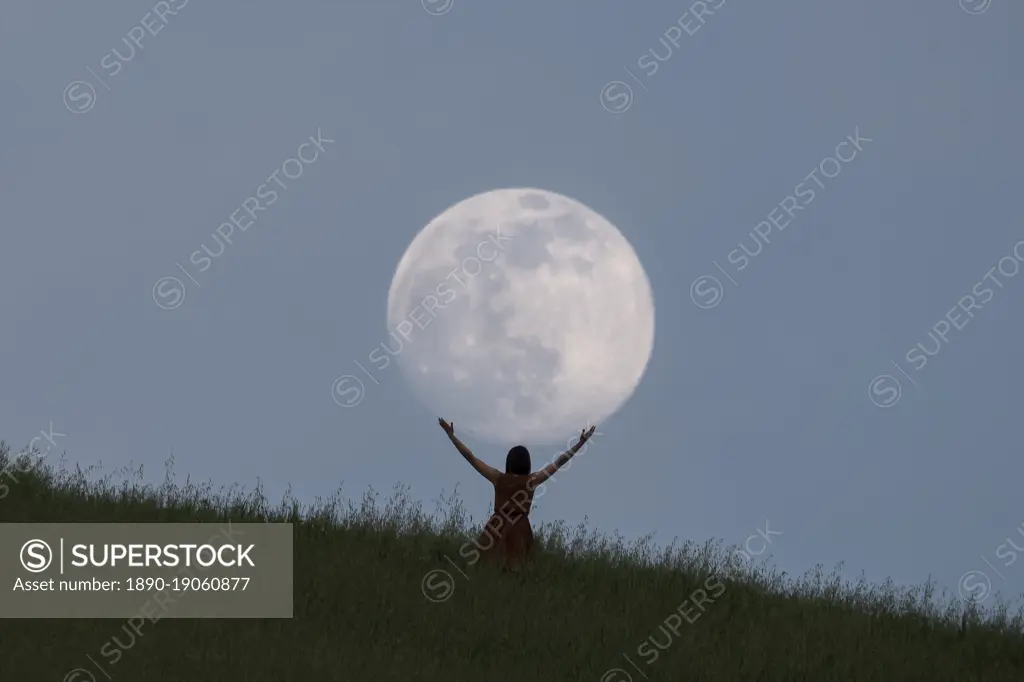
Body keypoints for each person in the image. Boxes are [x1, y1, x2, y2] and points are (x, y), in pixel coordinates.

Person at [437, 417, 597, 568]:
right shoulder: (531, 480)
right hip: (520, 530)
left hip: (495, 529)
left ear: (509, 461)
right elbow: (559, 462)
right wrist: (580, 443)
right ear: (527, 463)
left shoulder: (498, 477)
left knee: (490, 569)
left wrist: (451, 436)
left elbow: (470, 458)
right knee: (518, 570)